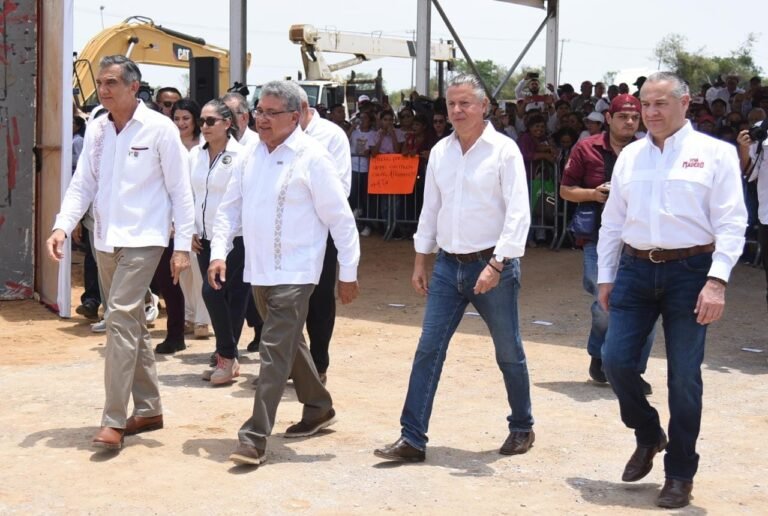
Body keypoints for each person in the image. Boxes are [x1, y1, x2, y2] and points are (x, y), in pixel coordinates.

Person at [597, 72, 747, 508]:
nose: (652, 112)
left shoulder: (714, 155)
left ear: (685, 103)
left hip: (692, 271)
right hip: (636, 270)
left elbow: (732, 222)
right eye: (646, 104)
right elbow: (612, 222)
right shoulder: (630, 157)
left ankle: (680, 472)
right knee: (615, 361)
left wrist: (716, 281)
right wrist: (607, 276)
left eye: (661, 103)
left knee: (684, 377)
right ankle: (648, 433)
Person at [374, 73, 534, 463]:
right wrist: (420, 259)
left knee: (508, 350)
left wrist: (497, 264)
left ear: (484, 107)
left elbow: (519, 213)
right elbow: (431, 209)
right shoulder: (441, 153)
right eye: (451, 105)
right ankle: (412, 438)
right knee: (428, 350)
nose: (457, 111)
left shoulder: (504, 151)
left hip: (491, 266)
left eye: (465, 103)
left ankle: (521, 426)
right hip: (447, 267)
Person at [208, 80, 360, 467]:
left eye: (271, 113)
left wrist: (348, 271)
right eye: (259, 111)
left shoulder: (313, 157)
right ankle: (319, 407)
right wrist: (218, 252)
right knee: (291, 345)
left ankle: (254, 436)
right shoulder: (249, 156)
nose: (262, 119)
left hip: (297, 271)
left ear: (296, 116)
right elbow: (228, 209)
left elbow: (341, 219)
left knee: (273, 351)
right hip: (260, 270)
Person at [46, 55, 194, 450]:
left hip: (146, 239)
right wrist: (62, 224)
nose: (104, 89)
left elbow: (181, 192)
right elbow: (82, 184)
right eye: (100, 82)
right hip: (105, 240)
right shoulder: (97, 130)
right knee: (132, 327)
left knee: (119, 321)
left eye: (111, 82)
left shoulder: (160, 129)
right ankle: (148, 408)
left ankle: (113, 418)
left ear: (133, 86)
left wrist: (182, 247)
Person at [560, 94, 654, 393]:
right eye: (623, 117)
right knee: (604, 303)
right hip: (597, 238)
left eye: (634, 117)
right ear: (609, 119)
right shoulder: (587, 148)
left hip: (641, 239)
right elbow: (565, 190)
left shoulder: (649, 150)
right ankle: (599, 355)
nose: (629, 122)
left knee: (646, 306)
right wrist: (593, 194)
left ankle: (632, 371)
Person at [191, 99, 250, 385]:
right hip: (203, 237)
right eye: (201, 121)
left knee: (215, 293)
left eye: (210, 121)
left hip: (234, 238)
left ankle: (225, 355)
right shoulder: (195, 155)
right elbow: (188, 193)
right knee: (224, 297)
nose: (204, 126)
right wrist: (188, 227)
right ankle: (227, 356)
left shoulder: (243, 156)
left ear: (228, 124)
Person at [297, 86, 353, 383]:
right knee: (285, 300)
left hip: (322, 231)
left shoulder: (331, 136)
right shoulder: (278, 138)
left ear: (301, 108)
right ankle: (295, 365)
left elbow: (341, 189)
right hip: (288, 233)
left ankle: (318, 365)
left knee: (319, 301)